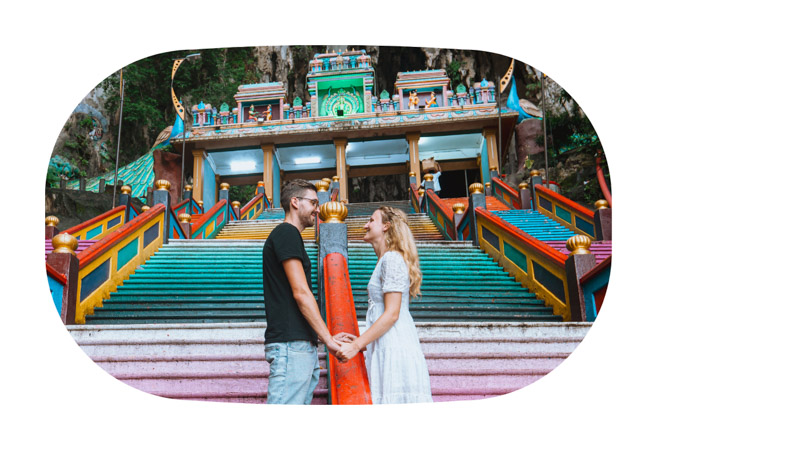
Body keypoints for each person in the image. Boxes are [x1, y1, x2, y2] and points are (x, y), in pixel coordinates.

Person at [335, 207, 433, 404]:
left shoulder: (392, 259)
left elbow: (392, 314)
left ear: (386, 226)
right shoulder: (385, 260)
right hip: (385, 343)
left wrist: (356, 345)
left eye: (371, 220)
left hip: (395, 345)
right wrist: (364, 340)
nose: (365, 225)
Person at [262, 179, 342, 404]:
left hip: (298, 345)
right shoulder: (286, 234)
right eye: (314, 203)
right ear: (295, 202)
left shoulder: (290, 236)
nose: (318, 209)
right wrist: (328, 339)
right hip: (290, 346)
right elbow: (301, 292)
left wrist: (324, 334)